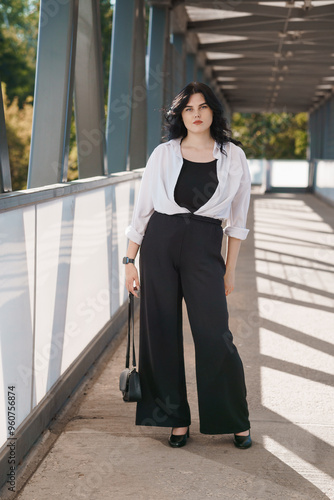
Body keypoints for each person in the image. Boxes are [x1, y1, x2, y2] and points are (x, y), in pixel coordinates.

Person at [123, 82, 252, 449]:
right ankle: (174, 419)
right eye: (188, 109)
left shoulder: (233, 156)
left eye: (202, 107)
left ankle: (235, 419)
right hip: (160, 244)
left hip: (205, 245)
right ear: (180, 116)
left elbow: (238, 220)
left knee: (215, 336)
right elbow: (143, 209)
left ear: (213, 112)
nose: (196, 114)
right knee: (160, 333)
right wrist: (129, 260)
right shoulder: (164, 153)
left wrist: (229, 270)